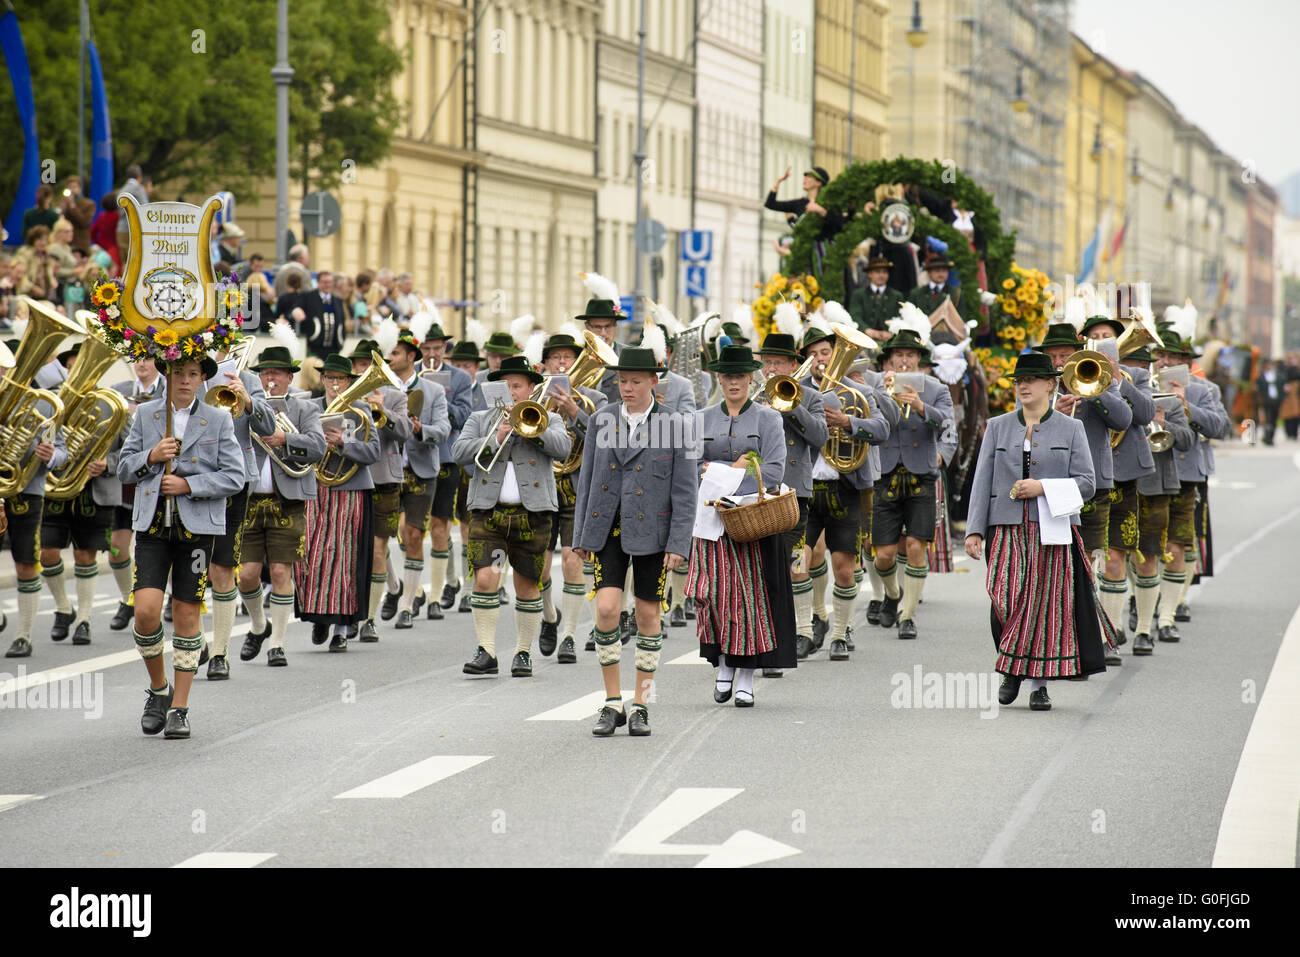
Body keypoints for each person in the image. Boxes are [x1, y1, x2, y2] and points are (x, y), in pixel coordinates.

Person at [964, 352, 1115, 712]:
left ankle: (1038, 684)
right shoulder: (997, 425)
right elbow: (981, 481)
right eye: (1019, 381)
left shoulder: (1072, 428)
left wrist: (1043, 487)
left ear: (1051, 384)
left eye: (1031, 380)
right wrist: (974, 530)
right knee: (1006, 596)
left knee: (1045, 606)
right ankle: (1012, 663)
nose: (1023, 387)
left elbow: (1087, 484)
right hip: (1005, 527)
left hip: (1052, 530)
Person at [117, 355, 245, 737]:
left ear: (204, 378)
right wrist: (151, 457)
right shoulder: (146, 415)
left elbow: (234, 476)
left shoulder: (220, 418)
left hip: (196, 529)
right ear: (166, 375)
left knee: (188, 615)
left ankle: (180, 708)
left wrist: (189, 485)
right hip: (153, 525)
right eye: (178, 374)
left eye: (193, 375)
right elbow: (124, 467)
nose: (185, 381)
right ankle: (158, 688)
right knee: (146, 613)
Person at [572, 347, 695, 734]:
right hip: (607, 526)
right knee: (607, 610)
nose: (627, 388)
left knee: (647, 615)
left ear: (654, 382)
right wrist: (581, 535)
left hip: (654, 532)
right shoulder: (601, 419)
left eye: (636, 382)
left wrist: (679, 543)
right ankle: (612, 702)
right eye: (622, 381)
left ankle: (640, 703)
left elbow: (686, 491)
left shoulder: (676, 425)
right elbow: (587, 478)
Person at [685, 344, 796, 707]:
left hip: (752, 520)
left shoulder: (769, 419)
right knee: (711, 596)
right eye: (728, 376)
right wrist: (727, 471)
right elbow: (689, 468)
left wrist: (723, 476)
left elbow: (776, 471)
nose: (734, 382)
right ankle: (722, 665)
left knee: (748, 602)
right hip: (710, 520)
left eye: (740, 376)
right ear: (720, 378)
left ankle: (746, 675)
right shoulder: (700, 419)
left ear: (751, 378)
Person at [452, 354, 572, 677]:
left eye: (517, 386)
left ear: (532, 389)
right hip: (489, 513)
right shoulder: (481, 419)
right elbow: (458, 453)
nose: (512, 392)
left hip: (532, 514)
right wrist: (495, 437)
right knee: (486, 577)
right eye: (506, 386)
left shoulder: (547, 417)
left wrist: (533, 429)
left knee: (527, 582)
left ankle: (522, 652)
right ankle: (487, 651)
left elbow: (563, 448)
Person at [797, 325, 891, 659]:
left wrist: (847, 423)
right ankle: (805, 628)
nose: (820, 360)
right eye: (813, 355)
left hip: (845, 488)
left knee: (843, 568)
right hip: (805, 490)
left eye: (825, 353)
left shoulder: (857, 391)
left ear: (836, 355)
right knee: (799, 563)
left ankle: (840, 632)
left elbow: (882, 429)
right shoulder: (795, 391)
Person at [237, 346, 326, 666]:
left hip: (287, 501)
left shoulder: (303, 409)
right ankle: (260, 625)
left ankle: (278, 644)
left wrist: (285, 439)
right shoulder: (243, 407)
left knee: (279, 571)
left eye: (276, 373)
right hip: (249, 501)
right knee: (246, 576)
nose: (269, 378)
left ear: (290, 377)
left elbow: (318, 446)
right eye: (264, 373)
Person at [871, 328, 954, 640]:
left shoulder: (936, 388)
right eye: (898, 356)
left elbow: (947, 423)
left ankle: (908, 614)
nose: (904, 361)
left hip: (921, 475)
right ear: (890, 360)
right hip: (886, 473)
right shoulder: (876, 385)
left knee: (917, 545)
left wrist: (921, 407)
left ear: (919, 360)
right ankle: (892, 594)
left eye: (910, 356)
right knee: (884, 554)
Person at [199, 343, 276, 679]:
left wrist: (246, 400)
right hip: (192, 478)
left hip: (234, 481)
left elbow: (269, 425)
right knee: (188, 565)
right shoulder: (183, 373)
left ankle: (219, 652)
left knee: (223, 566)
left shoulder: (245, 375)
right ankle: (197, 638)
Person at [294, 354, 380, 650]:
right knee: (311, 555)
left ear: (348, 382)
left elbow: (373, 453)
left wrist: (344, 443)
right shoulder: (308, 407)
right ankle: (319, 616)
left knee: (344, 559)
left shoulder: (362, 410)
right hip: (315, 489)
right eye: (329, 378)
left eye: (339, 379)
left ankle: (342, 628)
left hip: (350, 490)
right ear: (323, 380)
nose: (333, 384)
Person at [755, 329, 829, 662]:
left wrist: (792, 405)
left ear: (791, 364)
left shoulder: (811, 397)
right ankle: (766, 630)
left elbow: (820, 437)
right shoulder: (753, 397)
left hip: (794, 492)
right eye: (767, 362)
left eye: (778, 362)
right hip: (757, 492)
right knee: (760, 566)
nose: (771, 369)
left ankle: (802, 629)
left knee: (796, 563)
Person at [534, 331, 605, 662]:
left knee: (575, 561)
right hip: (541, 487)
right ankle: (550, 617)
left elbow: (606, 439)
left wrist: (575, 412)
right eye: (556, 359)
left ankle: (569, 636)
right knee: (541, 568)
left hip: (576, 486)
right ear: (545, 364)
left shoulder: (593, 398)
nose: (562, 363)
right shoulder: (534, 396)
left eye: (568, 358)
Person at [2, 331, 68, 659]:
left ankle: (23, 634)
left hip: (27, 490)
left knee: (27, 564)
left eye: (6, 369)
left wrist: (49, 455)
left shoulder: (43, 402)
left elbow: (64, 451)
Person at [349, 341, 412, 641]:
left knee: (376, 548)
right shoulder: (346, 397)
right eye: (358, 365)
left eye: (367, 365)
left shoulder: (396, 397)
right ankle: (378, 593)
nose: (362, 371)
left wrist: (381, 409)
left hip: (384, 478)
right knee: (352, 549)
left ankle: (369, 619)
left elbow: (404, 433)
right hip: (351, 477)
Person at [1133, 342, 1195, 647]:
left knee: (1160, 551)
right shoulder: (1119, 392)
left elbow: (1186, 439)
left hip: (1159, 483)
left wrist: (1163, 421)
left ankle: (1163, 619)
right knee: (1122, 555)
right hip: (1126, 482)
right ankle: (1134, 606)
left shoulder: (1169, 398)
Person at [107, 357, 168, 632]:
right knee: (117, 549)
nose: (141, 364)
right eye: (137, 358)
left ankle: (161, 600)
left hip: (156, 480)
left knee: (160, 547)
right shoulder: (118, 389)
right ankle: (126, 598)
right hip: (125, 480)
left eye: (148, 358)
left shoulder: (170, 389)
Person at [416, 323, 473, 619]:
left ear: (444, 349)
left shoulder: (460, 378)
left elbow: (463, 416)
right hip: (414, 456)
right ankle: (419, 587)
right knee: (408, 529)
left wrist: (439, 399)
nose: (432, 354)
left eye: (437, 349)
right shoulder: (411, 373)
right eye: (426, 349)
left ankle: (436, 596)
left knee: (441, 524)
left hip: (446, 456)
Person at [765, 166, 844, 279]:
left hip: (825, 254)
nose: (805, 178)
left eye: (810, 176)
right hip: (805, 255)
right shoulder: (800, 204)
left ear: (819, 182)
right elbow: (770, 204)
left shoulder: (829, 203)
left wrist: (821, 211)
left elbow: (840, 224)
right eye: (805, 176)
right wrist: (778, 181)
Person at [849, 254, 904, 342]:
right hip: (864, 339)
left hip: (890, 340)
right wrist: (867, 330)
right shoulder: (858, 294)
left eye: (885, 272)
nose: (881, 275)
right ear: (870, 274)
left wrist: (893, 332)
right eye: (878, 272)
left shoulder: (897, 295)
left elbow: (901, 318)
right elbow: (855, 315)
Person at [302, 270, 348, 359]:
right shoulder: (309, 297)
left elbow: (342, 322)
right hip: (314, 347)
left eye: (330, 282)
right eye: (325, 282)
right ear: (318, 283)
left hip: (334, 349)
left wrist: (341, 342)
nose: (328, 285)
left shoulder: (338, 301)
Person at [59, 176, 97, 253]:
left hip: (81, 244)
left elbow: (85, 223)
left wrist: (72, 205)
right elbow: (60, 221)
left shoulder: (88, 203)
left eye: (74, 187)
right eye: (69, 187)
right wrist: (63, 208)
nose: (72, 190)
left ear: (80, 188)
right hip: (66, 244)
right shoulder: (65, 203)